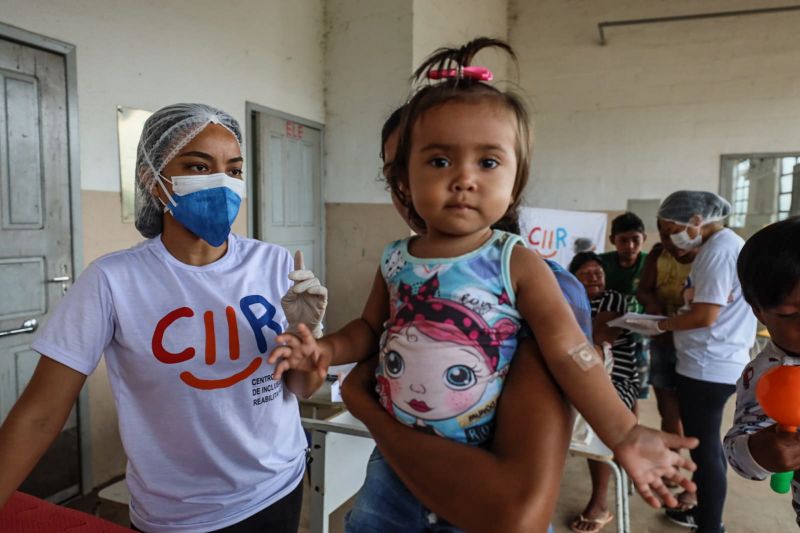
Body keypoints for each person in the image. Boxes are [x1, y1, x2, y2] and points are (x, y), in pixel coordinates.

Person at [270, 38, 697, 531]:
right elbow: (369, 326)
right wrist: (325, 348)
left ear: (516, 181)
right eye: (439, 161)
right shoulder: (395, 259)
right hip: (392, 472)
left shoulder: (516, 262)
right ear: (402, 179)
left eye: (488, 162)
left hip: (473, 473)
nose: (464, 178)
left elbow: (569, 352)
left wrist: (623, 432)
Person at [0, 103, 328, 533]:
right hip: (178, 515)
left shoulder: (276, 263)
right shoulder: (112, 281)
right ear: (152, 179)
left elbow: (299, 387)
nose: (221, 183)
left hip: (277, 487)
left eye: (233, 170)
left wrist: (308, 350)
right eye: (198, 165)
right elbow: (40, 415)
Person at [630, 190, 757, 533]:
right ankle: (707, 516)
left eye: (671, 227)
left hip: (707, 365)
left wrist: (661, 324)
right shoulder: (720, 247)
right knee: (708, 448)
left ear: (696, 220)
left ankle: (709, 524)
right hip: (711, 361)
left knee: (703, 452)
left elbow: (704, 315)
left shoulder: (718, 251)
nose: (670, 236)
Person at [724, 216, 800, 528]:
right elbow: (737, 448)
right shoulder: (767, 374)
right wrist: (758, 452)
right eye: (791, 314)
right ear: (758, 310)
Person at [568, 252, 640, 532]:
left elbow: (599, 339)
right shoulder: (569, 300)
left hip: (616, 379)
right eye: (586, 274)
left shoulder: (611, 299)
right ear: (572, 279)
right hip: (582, 376)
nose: (594, 277)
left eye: (598, 272)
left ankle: (600, 504)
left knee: (599, 418)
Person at [637, 223, 699, 512]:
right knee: (668, 409)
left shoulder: (707, 256)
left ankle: (699, 479)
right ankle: (673, 463)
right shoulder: (658, 255)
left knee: (699, 417)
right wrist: (658, 312)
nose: (669, 240)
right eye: (663, 234)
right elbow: (644, 290)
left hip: (697, 347)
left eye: (675, 233)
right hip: (663, 339)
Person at [601, 212, 650, 399]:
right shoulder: (602, 264)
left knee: (635, 388)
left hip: (639, 337)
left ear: (644, 239)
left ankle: (631, 424)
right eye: (623, 240)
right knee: (607, 384)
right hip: (607, 335)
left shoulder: (650, 263)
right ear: (613, 240)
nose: (630, 246)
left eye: (635, 240)